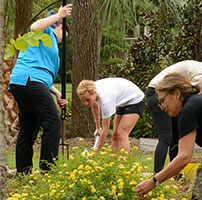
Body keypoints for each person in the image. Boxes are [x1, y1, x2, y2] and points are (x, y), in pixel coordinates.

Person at [9, 5, 72, 174]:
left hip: (25, 82)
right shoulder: (46, 32)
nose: (61, 42)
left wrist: (56, 92)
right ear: (58, 27)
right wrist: (59, 15)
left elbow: (42, 74)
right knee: (53, 122)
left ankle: (24, 173)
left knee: (29, 129)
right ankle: (48, 171)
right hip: (29, 80)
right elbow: (34, 27)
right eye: (63, 37)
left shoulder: (49, 46)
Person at [146, 60, 202, 173]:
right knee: (166, 136)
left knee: (176, 137)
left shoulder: (198, 67)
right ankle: (157, 174)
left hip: (168, 93)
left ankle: (174, 174)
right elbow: (193, 98)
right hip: (159, 93)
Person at [77, 78, 145, 152]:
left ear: (95, 92)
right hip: (122, 100)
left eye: (87, 100)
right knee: (115, 135)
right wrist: (98, 128)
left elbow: (105, 129)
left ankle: (123, 162)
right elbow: (95, 106)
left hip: (135, 99)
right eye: (83, 100)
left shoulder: (106, 100)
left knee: (122, 133)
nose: (86, 103)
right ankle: (113, 160)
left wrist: (96, 151)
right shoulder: (91, 89)